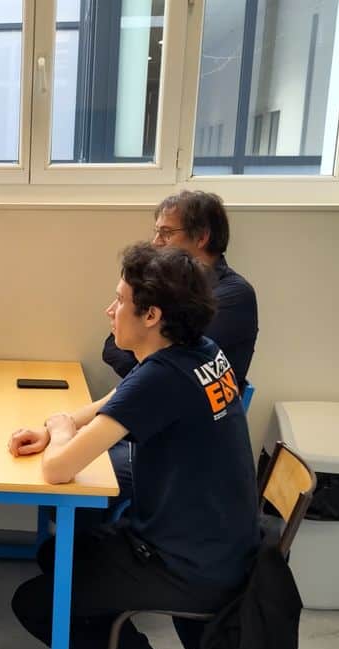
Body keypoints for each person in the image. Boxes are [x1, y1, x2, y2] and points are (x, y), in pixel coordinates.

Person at [9, 243, 260, 649]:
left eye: (120, 301)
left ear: (152, 315)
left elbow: (58, 469)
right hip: (222, 545)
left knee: (36, 601)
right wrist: (64, 422)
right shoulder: (199, 352)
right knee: (58, 555)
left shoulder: (163, 376)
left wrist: (61, 432)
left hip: (188, 566)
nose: (110, 310)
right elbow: (121, 397)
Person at [102, 190, 258, 501]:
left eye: (166, 233)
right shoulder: (165, 289)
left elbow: (168, 366)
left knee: (85, 476)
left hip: (189, 447)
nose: (156, 242)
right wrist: (142, 353)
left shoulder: (231, 295)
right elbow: (112, 347)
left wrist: (142, 357)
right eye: (156, 232)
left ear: (202, 237)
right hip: (157, 419)